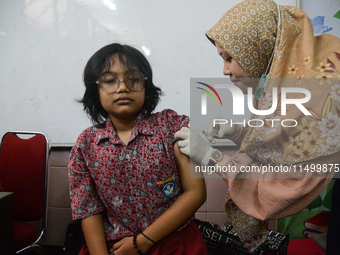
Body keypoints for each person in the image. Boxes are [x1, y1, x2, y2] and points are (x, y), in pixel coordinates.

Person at [175, 0, 340, 253]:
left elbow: (278, 189)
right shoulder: (301, 80)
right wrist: (241, 133)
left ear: (259, 48)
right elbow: (287, 146)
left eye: (230, 57)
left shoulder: (321, 93)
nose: (225, 70)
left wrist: (211, 156)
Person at [68, 43, 209, 255]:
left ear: (146, 85)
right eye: (109, 80)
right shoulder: (86, 144)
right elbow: (88, 210)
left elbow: (195, 193)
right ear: (95, 90)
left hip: (176, 242)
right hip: (115, 247)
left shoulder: (173, 127)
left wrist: (141, 242)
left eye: (133, 79)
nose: (122, 87)